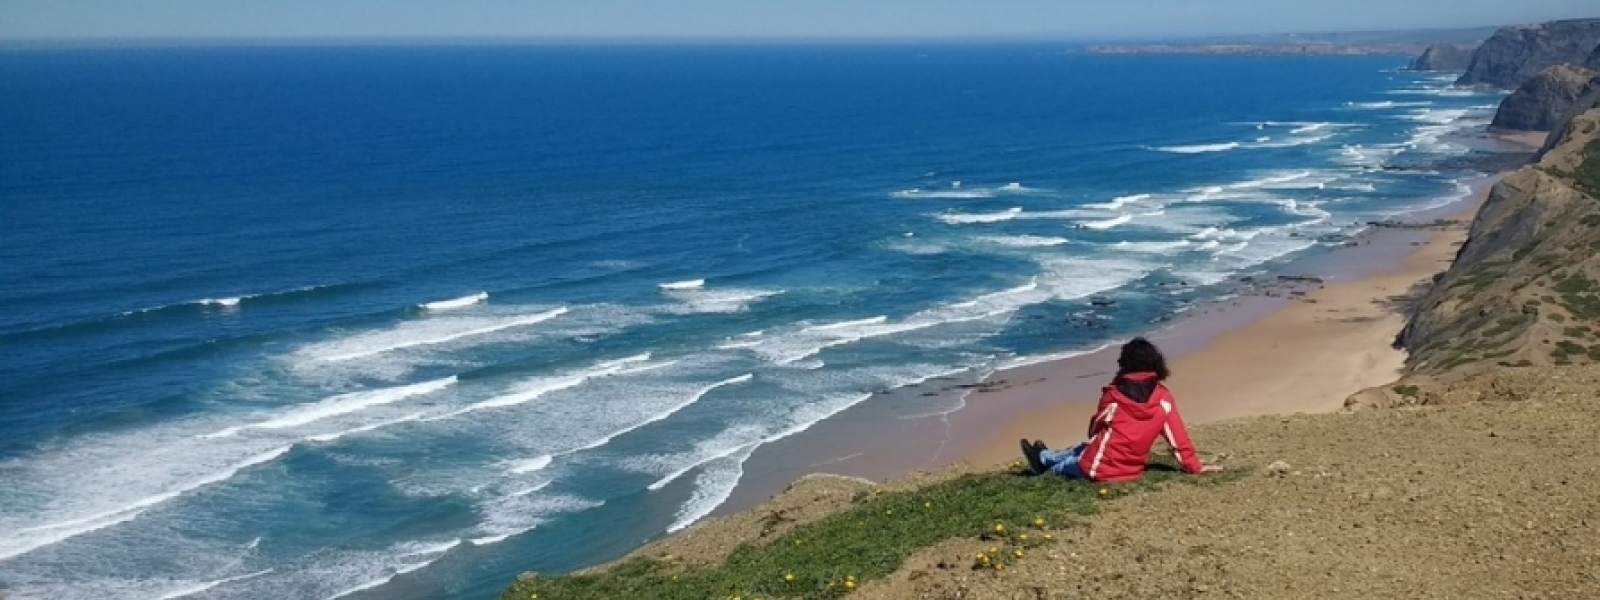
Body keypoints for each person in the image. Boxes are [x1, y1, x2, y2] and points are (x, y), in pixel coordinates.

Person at [1020, 337, 1220, 482]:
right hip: (1132, 469)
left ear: (1124, 364)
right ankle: (1045, 455)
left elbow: (1094, 430)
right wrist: (1195, 467)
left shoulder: (1114, 396)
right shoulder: (1163, 398)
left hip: (1098, 468)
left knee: (1065, 465)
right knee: (1081, 449)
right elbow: (1178, 438)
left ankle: (1042, 462)